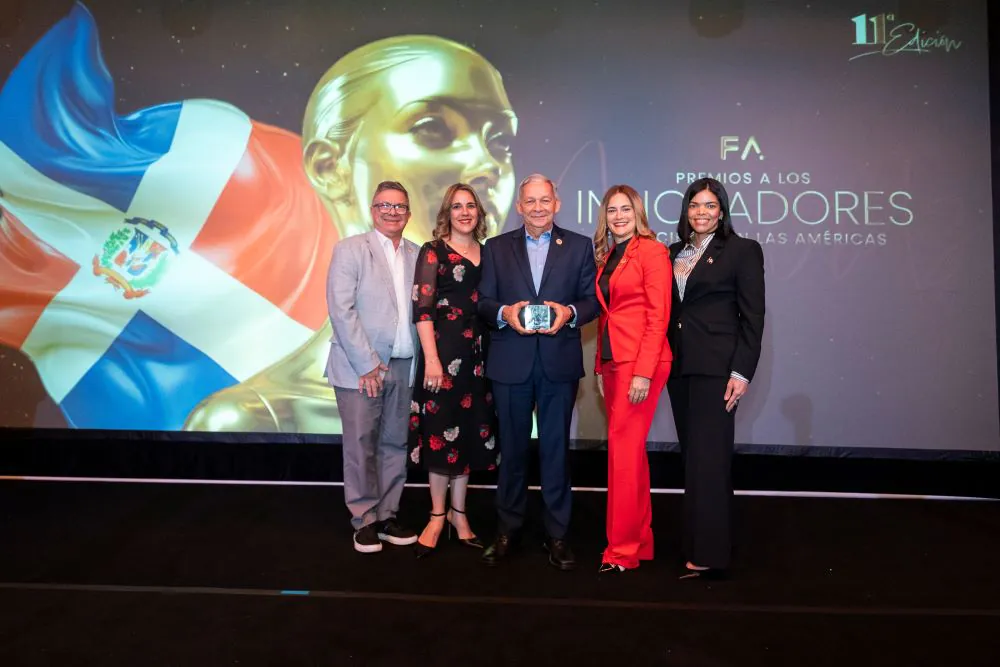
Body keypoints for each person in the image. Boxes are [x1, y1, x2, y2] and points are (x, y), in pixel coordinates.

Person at [184, 35, 518, 433]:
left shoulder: (497, 392)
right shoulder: (252, 417)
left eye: (499, 141)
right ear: (329, 167)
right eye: (433, 130)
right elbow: (343, 309)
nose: (486, 164)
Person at [477, 174, 599, 571]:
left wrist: (569, 313)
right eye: (530, 201)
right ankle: (507, 529)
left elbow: (591, 301)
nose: (538, 207)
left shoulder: (579, 246)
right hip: (510, 363)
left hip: (557, 364)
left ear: (557, 204)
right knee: (511, 451)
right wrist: (504, 312)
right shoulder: (496, 248)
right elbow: (484, 302)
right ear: (519, 207)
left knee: (555, 452)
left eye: (545, 200)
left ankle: (557, 534)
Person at [667, 177, 765, 579]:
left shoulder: (742, 250)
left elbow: (753, 317)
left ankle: (710, 553)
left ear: (721, 211)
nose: (701, 212)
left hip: (718, 371)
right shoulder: (674, 252)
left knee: (709, 461)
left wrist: (741, 372)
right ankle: (700, 543)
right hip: (679, 369)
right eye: (695, 205)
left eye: (709, 205)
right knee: (694, 460)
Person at [325, 181, 421, 553]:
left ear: (408, 213)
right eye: (385, 205)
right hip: (361, 368)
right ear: (373, 210)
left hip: (404, 365)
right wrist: (367, 364)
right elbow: (341, 309)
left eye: (399, 206)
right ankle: (364, 519)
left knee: (395, 444)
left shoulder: (418, 254)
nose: (392, 212)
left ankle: (387, 515)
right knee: (361, 445)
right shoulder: (350, 249)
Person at [408, 184, 499, 558]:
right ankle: (435, 516)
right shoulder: (433, 251)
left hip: (479, 359)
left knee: (468, 437)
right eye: (457, 206)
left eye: (471, 206)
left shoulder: (489, 252)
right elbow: (422, 309)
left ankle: (459, 515)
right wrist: (432, 360)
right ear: (447, 212)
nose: (465, 212)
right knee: (440, 435)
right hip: (442, 358)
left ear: (479, 212)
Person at [592, 185, 672, 574]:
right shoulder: (611, 254)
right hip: (614, 362)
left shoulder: (652, 251)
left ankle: (621, 551)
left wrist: (642, 371)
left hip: (640, 363)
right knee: (631, 455)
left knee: (622, 456)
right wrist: (599, 365)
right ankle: (640, 542)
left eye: (626, 209)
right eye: (612, 210)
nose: (619, 216)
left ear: (638, 213)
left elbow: (659, 316)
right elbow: (608, 314)